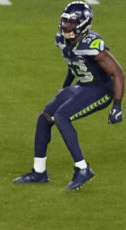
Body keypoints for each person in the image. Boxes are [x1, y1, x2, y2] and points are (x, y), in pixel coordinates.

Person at [14, 1, 123, 190]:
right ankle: (39, 172)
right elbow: (74, 64)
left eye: (71, 23)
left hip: (100, 90)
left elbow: (118, 73)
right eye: (65, 21)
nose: (66, 26)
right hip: (82, 86)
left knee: (62, 117)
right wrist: (64, 87)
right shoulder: (62, 40)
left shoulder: (93, 44)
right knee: (45, 118)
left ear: (83, 24)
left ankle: (82, 169)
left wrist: (117, 106)